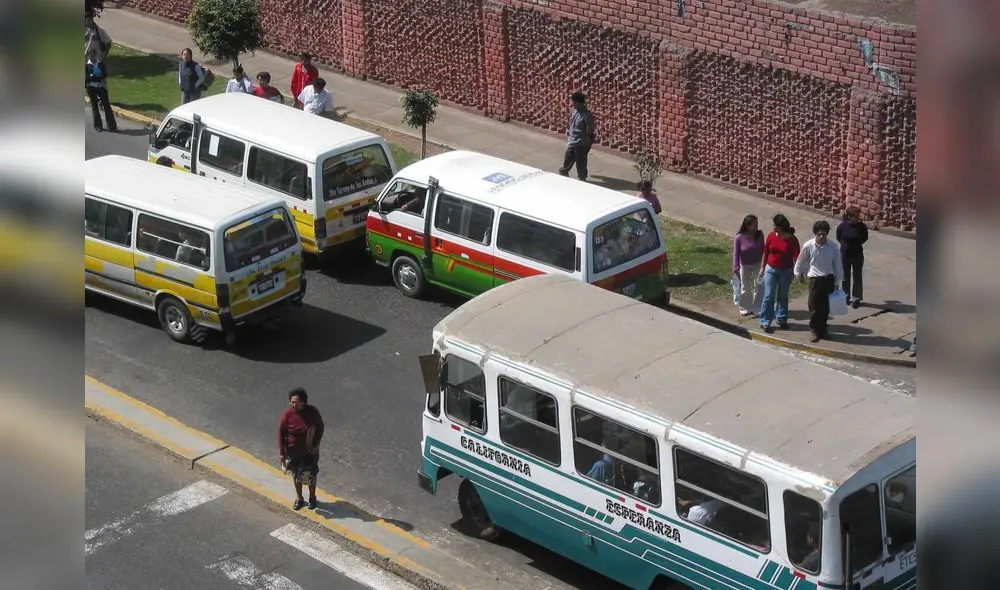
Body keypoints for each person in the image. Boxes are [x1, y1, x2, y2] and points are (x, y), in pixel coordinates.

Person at [795, 220, 843, 343]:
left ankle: (823, 330)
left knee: (825, 307)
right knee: (814, 306)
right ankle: (814, 330)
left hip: (828, 279)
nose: (821, 237)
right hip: (815, 280)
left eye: (824, 234)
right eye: (819, 234)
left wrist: (837, 282)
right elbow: (800, 261)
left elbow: (837, 265)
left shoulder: (833, 247)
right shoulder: (808, 246)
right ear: (815, 234)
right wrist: (798, 273)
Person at [278, 387, 325, 510]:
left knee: (311, 475)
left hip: (310, 451)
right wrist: (282, 453)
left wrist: (315, 444)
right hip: (294, 451)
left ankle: (312, 498)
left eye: (297, 401)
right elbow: (281, 432)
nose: (294, 404)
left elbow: (320, 427)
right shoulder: (287, 415)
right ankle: (299, 498)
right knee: (296, 475)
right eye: (292, 402)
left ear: (304, 401)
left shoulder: (312, 412)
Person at [758, 214, 800, 333]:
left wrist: (796, 272)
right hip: (770, 269)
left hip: (785, 271)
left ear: (780, 227)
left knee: (782, 296)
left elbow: (797, 257)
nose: (773, 227)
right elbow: (766, 252)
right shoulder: (771, 236)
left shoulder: (792, 240)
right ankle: (765, 321)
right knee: (768, 295)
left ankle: (781, 319)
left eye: (775, 225)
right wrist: (762, 268)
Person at [557, 91, 597, 182]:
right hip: (572, 140)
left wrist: (589, 138)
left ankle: (582, 178)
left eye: (575, 103)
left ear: (581, 103)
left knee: (581, 161)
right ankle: (564, 171)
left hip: (581, 142)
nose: (573, 104)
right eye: (573, 102)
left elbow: (589, 130)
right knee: (568, 157)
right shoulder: (574, 111)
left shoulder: (587, 115)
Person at [836, 206, 869, 308]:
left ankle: (856, 298)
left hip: (857, 255)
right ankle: (846, 297)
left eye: (857, 217)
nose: (856, 219)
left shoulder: (862, 227)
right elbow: (839, 237)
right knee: (845, 277)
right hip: (845, 255)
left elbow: (864, 238)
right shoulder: (842, 226)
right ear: (849, 217)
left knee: (857, 276)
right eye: (854, 217)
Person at [732, 214, 764, 316]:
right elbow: (736, 253)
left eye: (757, 224)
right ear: (747, 226)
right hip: (744, 265)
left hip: (757, 264)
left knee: (759, 285)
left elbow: (764, 250)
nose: (756, 227)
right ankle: (745, 307)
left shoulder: (760, 235)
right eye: (754, 225)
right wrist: (735, 267)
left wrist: (764, 265)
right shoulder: (739, 237)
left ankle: (757, 307)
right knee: (745, 287)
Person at [85, 47, 117, 133]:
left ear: (95, 55)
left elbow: (104, 74)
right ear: (88, 56)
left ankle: (111, 126)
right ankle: (98, 126)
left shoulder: (100, 63)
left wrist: (93, 76)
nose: (91, 57)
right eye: (90, 55)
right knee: (94, 107)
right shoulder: (86, 66)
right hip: (91, 88)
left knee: (106, 105)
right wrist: (95, 76)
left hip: (101, 87)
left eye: (93, 55)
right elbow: (86, 78)